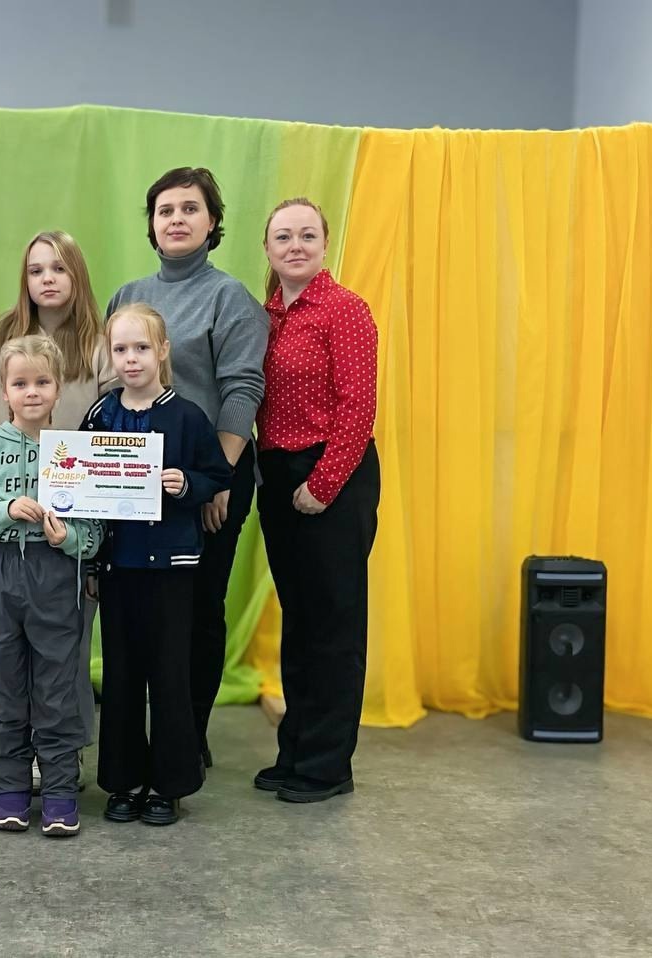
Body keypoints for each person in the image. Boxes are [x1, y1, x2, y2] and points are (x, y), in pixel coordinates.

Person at [106, 167, 268, 767]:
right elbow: (111, 387)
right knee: (138, 613)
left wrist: (216, 480)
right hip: (132, 481)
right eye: (165, 210)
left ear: (212, 221)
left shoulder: (231, 299)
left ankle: (187, 740)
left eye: (190, 208)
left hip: (207, 477)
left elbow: (243, 390)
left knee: (196, 609)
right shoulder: (128, 296)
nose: (176, 219)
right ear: (152, 224)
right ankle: (135, 744)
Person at [0, 231, 117, 779]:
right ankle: (17, 758)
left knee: (65, 652)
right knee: (11, 658)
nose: (47, 279)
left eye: (58, 268)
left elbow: (113, 438)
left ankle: (61, 755)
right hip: (9, 533)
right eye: (36, 270)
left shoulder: (100, 345)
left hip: (71, 532)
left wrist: (91, 541)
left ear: (77, 274)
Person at [82, 304, 231, 826]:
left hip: (171, 568)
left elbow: (218, 474)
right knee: (122, 677)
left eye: (141, 348)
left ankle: (169, 785)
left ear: (163, 351)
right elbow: (83, 489)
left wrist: (187, 484)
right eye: (120, 349)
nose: (131, 359)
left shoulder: (187, 416)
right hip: (118, 568)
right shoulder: (100, 416)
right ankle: (122, 782)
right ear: (110, 355)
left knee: (170, 675)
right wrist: (91, 564)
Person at [253, 197, 380, 804]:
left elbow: (359, 406)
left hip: (333, 472)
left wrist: (323, 485)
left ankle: (328, 766)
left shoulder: (345, 310)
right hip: (279, 475)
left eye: (307, 235)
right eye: (284, 236)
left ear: (325, 244)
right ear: (268, 248)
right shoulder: (268, 317)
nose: (295, 245)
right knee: (300, 620)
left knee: (334, 624)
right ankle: (296, 751)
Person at [0, 335, 103, 837]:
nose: (31, 392)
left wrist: (67, 538)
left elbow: (95, 532)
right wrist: (4, 510)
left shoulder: (73, 453)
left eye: (42, 382)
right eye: (20, 383)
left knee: (57, 688)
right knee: (8, 689)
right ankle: (11, 791)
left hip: (56, 578)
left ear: (58, 388)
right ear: (4, 391)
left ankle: (59, 794)